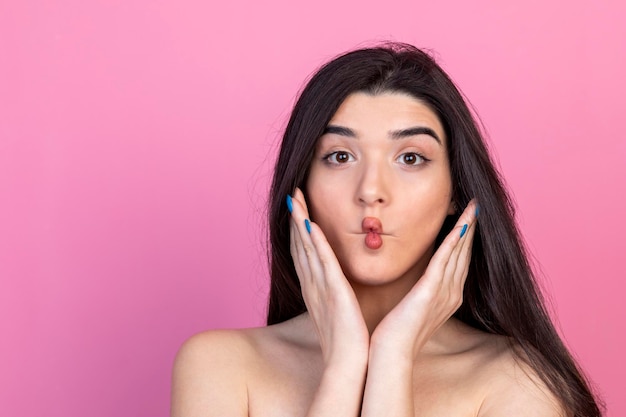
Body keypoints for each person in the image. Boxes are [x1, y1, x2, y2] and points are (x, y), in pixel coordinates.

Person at [171, 42, 602, 416]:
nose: (371, 191)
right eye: (340, 157)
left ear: (457, 192)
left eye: (410, 158)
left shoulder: (521, 381)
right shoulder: (220, 366)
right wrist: (345, 364)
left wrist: (394, 356)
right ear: (301, 185)